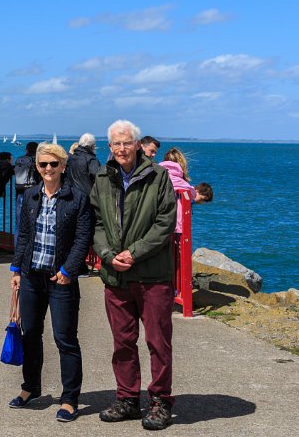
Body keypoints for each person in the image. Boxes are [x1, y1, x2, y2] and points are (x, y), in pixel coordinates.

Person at [90, 120, 176, 430]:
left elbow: (165, 222)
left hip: (153, 276)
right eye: (116, 144)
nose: (122, 149)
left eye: (127, 143)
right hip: (117, 276)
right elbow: (97, 223)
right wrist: (110, 256)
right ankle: (127, 398)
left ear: (137, 145)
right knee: (122, 342)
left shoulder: (159, 176)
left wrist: (134, 252)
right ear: (109, 146)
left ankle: (160, 401)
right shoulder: (102, 177)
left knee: (158, 342)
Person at [9, 143, 92, 422]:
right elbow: (23, 235)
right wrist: (16, 269)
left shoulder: (77, 198)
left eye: (53, 165)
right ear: (37, 166)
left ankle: (70, 399)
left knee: (65, 339)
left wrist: (69, 270)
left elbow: (83, 239)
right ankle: (30, 387)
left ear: (63, 167)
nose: (47, 169)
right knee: (30, 333)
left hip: (62, 280)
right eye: (43, 164)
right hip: (32, 275)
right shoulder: (31, 195)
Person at [14, 141, 39, 238]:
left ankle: (17, 250)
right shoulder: (35, 161)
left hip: (20, 193)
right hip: (32, 194)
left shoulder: (20, 160)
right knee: (33, 223)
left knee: (19, 224)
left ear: (26, 150)